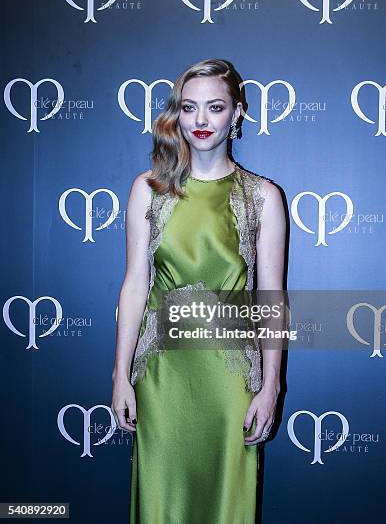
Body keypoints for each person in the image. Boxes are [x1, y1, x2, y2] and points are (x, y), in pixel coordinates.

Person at [111, 58, 286, 523]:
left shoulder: (263, 196)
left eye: (215, 107)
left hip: (230, 382)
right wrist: (120, 375)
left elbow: (271, 298)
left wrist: (270, 386)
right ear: (177, 114)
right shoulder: (148, 190)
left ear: (238, 113)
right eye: (189, 108)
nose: (201, 121)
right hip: (162, 376)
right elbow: (134, 286)